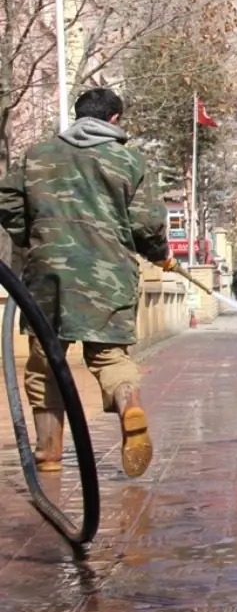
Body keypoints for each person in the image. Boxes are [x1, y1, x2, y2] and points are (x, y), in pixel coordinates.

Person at [0, 87, 173, 478]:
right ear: (114, 119)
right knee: (109, 358)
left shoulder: (37, 155)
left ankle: (49, 457)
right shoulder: (128, 158)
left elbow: (7, 201)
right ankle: (130, 406)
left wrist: (34, 237)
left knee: (45, 363)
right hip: (109, 274)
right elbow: (146, 222)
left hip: (48, 274)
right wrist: (158, 253)